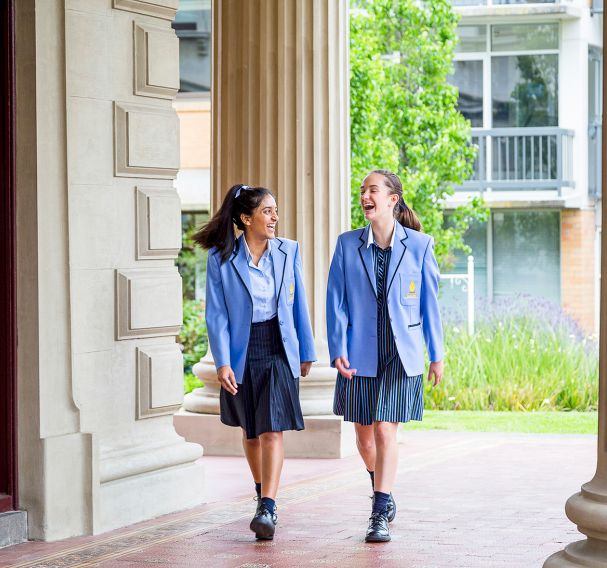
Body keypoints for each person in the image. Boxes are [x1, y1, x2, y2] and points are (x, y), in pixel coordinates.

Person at [326, 169, 444, 543]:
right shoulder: (347, 245)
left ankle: (378, 511)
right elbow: (336, 303)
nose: (365, 195)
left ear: (392, 199)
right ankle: (384, 487)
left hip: (401, 351)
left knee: (383, 429)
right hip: (359, 351)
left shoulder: (420, 245)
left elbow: (430, 305)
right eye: (362, 190)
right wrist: (337, 350)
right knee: (363, 439)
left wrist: (436, 354)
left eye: (372, 189)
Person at [195, 183, 316, 541]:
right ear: (246, 219)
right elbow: (215, 314)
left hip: (278, 345)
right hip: (242, 349)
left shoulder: (288, 251)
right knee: (250, 431)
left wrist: (305, 350)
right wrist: (222, 362)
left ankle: (268, 506)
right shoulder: (220, 258)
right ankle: (261, 487)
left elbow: (298, 304)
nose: (275, 217)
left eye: (275, 210)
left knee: (272, 428)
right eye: (267, 211)